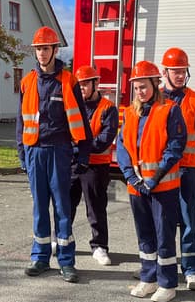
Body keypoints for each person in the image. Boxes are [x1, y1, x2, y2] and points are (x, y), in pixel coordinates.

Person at [17, 26, 93, 283]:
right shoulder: (27, 82)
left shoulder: (68, 80)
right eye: (38, 49)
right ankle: (40, 257)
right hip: (35, 150)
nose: (41, 53)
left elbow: (82, 119)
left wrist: (83, 154)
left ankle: (66, 261)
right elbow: (21, 121)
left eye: (46, 48)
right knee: (39, 208)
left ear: (55, 50)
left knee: (62, 208)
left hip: (60, 151)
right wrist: (22, 153)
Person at [116, 60, 186, 302]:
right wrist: (130, 176)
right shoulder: (129, 112)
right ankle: (149, 278)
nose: (139, 92)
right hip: (137, 187)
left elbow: (175, 147)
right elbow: (122, 146)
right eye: (136, 88)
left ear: (156, 85)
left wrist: (153, 178)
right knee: (145, 234)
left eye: (143, 87)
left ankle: (167, 283)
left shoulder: (170, 109)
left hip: (163, 187)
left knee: (164, 234)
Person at [161, 47, 195, 291]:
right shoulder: (155, 98)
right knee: (163, 223)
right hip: (161, 172)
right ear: (165, 72)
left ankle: (191, 270)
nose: (180, 75)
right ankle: (163, 267)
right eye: (175, 71)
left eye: (183, 71)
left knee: (189, 222)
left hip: (187, 171)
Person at [70, 65, 119, 266]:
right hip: (72, 165)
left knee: (96, 207)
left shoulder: (108, 109)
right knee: (65, 205)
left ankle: (99, 247)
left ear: (95, 83)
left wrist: (79, 148)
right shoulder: (72, 106)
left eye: (85, 84)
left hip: (96, 167)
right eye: (79, 85)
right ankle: (61, 240)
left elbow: (103, 141)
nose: (81, 88)